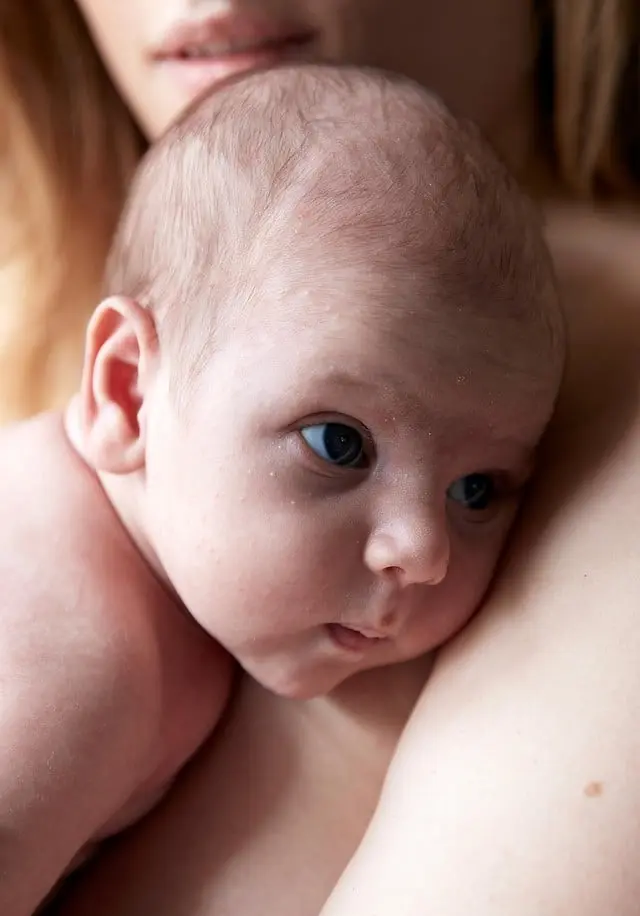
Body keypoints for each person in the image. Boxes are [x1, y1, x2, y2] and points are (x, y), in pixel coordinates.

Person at [2, 2, 640, 915]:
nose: (423, 551)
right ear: (128, 391)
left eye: (478, 491)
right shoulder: (63, 624)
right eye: (338, 444)